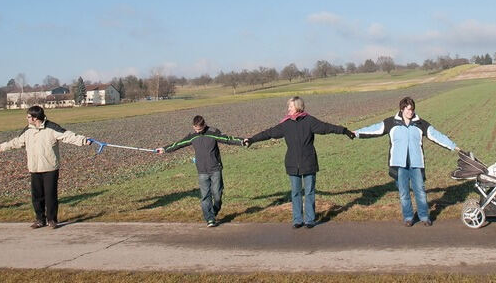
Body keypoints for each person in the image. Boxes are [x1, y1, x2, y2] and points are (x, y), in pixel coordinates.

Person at [244, 96, 355, 229]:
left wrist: (344, 131)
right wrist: (252, 139)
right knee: (295, 193)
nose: (288, 109)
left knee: (309, 192)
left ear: (297, 107)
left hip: (309, 162)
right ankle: (297, 220)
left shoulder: (309, 121)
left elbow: (327, 127)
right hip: (292, 163)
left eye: (290, 106)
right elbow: (268, 133)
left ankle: (309, 220)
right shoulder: (285, 124)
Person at [354, 96, 459, 226]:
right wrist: (356, 133)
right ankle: (408, 218)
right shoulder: (391, 123)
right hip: (399, 165)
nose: (411, 112)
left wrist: (453, 146)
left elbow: (436, 135)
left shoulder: (420, 123)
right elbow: (374, 129)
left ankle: (424, 217)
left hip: (416, 164)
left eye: (412, 109)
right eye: (408, 109)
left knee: (420, 191)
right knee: (404, 193)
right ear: (402, 109)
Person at [0, 105, 91, 229]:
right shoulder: (28, 130)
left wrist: (84, 140)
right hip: (34, 168)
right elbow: (17, 142)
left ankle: (52, 220)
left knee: (50, 195)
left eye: (29, 116)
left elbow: (68, 136)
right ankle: (40, 220)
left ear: (35, 118)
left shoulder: (51, 128)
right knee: (37, 196)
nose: (27, 118)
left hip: (50, 168)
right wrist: (2, 147)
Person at [156, 115, 244, 227]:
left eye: (200, 129)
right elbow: (179, 144)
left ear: (204, 125)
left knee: (217, 195)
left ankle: (213, 211)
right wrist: (164, 149)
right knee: (205, 196)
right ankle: (210, 219)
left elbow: (227, 139)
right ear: (193, 127)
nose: (198, 131)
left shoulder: (213, 132)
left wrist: (241, 141)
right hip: (202, 171)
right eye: (196, 129)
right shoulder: (192, 136)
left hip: (215, 168)